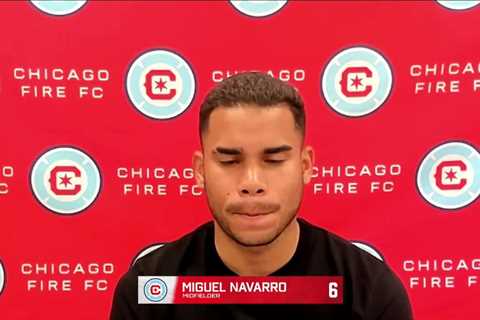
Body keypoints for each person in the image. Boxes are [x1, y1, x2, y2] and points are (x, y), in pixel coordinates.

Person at [110, 72, 413, 319]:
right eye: (229, 161)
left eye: (274, 160)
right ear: (200, 170)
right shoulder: (149, 291)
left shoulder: (369, 292)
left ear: (305, 166)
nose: (251, 182)